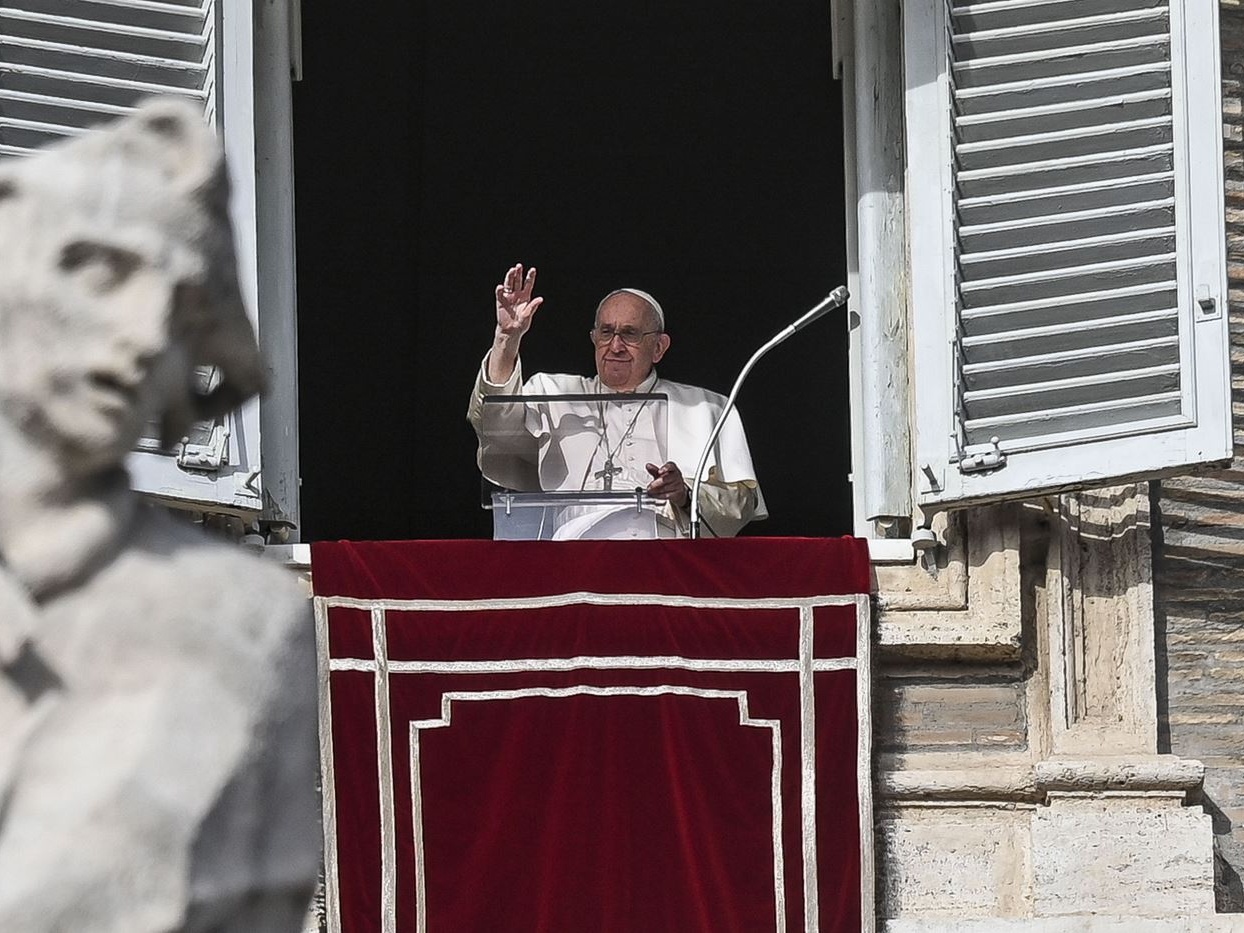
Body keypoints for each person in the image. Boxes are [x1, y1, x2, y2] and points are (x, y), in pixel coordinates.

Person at [467, 263, 766, 537]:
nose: (616, 346)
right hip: (573, 556)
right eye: (606, 333)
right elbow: (494, 427)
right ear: (594, 338)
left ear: (659, 347)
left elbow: (740, 503)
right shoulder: (554, 392)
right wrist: (507, 338)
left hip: (664, 556)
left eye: (630, 334)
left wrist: (685, 493)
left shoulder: (705, 407)